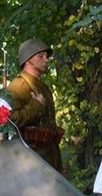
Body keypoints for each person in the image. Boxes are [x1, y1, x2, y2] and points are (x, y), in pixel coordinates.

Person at [6, 38, 64, 173]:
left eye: (47, 56)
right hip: (30, 160)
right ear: (27, 60)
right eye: (40, 56)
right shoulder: (17, 87)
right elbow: (10, 121)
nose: (46, 59)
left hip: (49, 156)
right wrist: (35, 106)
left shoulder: (43, 87)